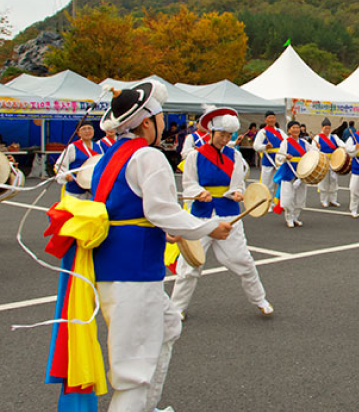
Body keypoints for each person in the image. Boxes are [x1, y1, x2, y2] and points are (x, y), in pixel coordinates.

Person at [45, 81, 232, 412]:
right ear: (147, 121)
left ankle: (148, 407)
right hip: (133, 271)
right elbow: (161, 211)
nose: (165, 124)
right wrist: (207, 227)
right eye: (162, 117)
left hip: (113, 265)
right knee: (133, 371)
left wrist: (165, 229)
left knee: (169, 324)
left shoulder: (109, 156)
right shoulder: (149, 156)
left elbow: (132, 208)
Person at [172, 107, 273, 320]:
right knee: (190, 265)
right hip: (200, 216)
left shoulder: (235, 155)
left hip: (229, 215)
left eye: (228, 136)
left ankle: (260, 300)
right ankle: (176, 307)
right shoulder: (194, 155)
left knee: (243, 261)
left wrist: (237, 193)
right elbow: (188, 183)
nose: (225, 139)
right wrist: (199, 192)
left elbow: (238, 184)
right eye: (221, 135)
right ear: (211, 132)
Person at [275, 120, 312, 228]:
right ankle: (289, 217)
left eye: (297, 127)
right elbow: (278, 156)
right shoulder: (285, 142)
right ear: (289, 130)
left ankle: (296, 217)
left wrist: (318, 148)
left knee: (300, 198)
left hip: (301, 174)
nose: (296, 130)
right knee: (288, 198)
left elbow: (313, 153)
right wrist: (285, 156)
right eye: (293, 128)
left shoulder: (304, 143)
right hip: (289, 173)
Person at [55, 121, 102, 201]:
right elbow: (60, 165)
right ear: (78, 133)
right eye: (84, 129)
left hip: (92, 189)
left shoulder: (98, 147)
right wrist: (66, 175)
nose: (87, 131)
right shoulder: (73, 147)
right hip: (75, 190)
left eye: (89, 128)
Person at [253, 111, 285, 202]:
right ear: (266, 120)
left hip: (279, 160)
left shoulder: (280, 131)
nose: (272, 120)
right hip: (268, 160)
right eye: (270, 118)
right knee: (267, 183)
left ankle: (277, 202)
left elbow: (287, 142)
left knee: (279, 182)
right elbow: (256, 146)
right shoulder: (262, 132)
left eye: (273, 117)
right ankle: (267, 203)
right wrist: (265, 147)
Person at [315, 118, 345, 208]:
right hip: (323, 161)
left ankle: (333, 200)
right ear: (322, 128)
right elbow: (313, 150)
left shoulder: (334, 137)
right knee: (324, 181)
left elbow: (342, 145)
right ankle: (324, 200)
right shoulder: (317, 138)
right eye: (325, 128)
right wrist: (318, 148)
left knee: (334, 180)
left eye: (328, 128)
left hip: (333, 161)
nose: (327, 130)